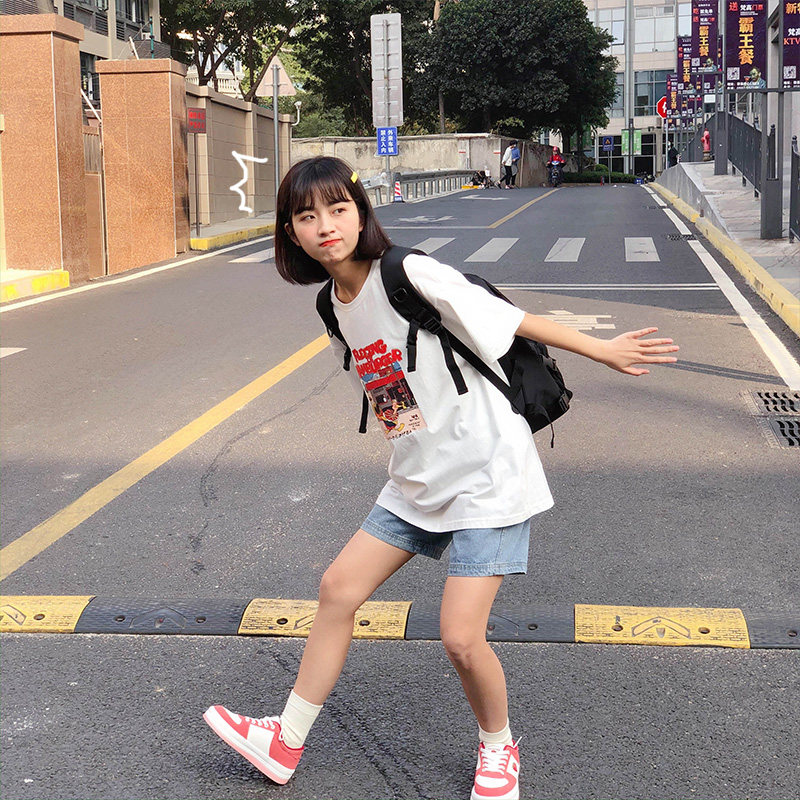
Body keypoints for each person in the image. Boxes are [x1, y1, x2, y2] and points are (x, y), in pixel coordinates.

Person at [203, 156, 679, 800]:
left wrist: (604, 349)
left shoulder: (409, 272)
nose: (325, 226)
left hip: (488, 473)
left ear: (362, 213)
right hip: (419, 478)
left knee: (459, 636)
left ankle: (499, 747)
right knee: (338, 590)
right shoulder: (332, 304)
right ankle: (284, 741)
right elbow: (386, 386)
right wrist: (415, 449)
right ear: (291, 232)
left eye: (338, 209)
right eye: (307, 216)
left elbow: (508, 320)